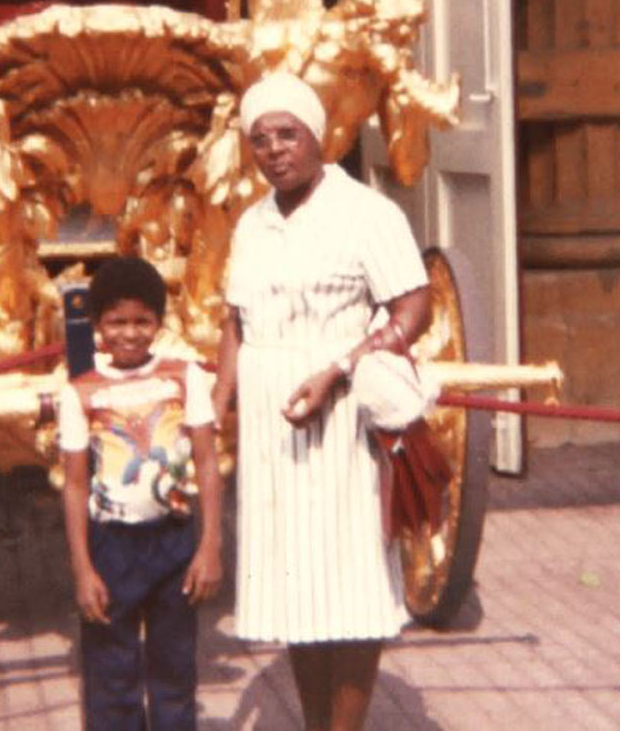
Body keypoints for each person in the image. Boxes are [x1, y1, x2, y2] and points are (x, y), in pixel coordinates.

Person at [212, 71, 432, 731]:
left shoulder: (367, 213)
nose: (275, 149)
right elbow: (234, 320)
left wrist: (339, 370)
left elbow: (412, 307)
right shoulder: (251, 225)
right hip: (270, 428)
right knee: (294, 589)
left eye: (288, 134)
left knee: (351, 583)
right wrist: (220, 398)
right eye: (260, 140)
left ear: (318, 137)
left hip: (342, 422)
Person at [59, 256, 223, 731]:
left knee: (174, 671)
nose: (128, 333)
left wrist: (209, 546)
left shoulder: (183, 377)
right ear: (97, 326)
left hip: (173, 540)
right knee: (111, 678)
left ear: (157, 323)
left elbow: (208, 464)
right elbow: (73, 485)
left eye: (140, 321)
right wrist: (83, 568)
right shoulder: (81, 391)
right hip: (111, 545)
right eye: (116, 322)